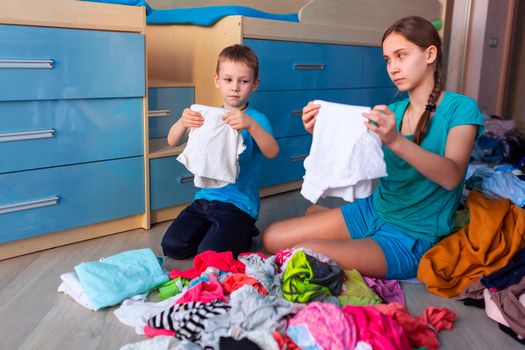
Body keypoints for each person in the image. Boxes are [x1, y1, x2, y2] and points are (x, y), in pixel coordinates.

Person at [262, 16, 485, 279]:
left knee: (304, 252)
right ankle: (339, 225)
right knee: (270, 238)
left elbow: (451, 176)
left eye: (401, 56)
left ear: (430, 54)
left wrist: (396, 141)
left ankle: (340, 230)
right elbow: (355, 155)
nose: (393, 68)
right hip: (373, 210)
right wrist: (321, 131)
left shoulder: (461, 108)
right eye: (388, 60)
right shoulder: (393, 111)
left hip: (411, 235)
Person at [161, 44, 279, 259]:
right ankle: (218, 233)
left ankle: (243, 233)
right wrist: (182, 121)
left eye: (243, 81)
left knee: (208, 255)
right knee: (172, 246)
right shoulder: (207, 116)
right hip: (205, 198)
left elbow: (272, 152)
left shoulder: (256, 119)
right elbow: (172, 140)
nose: (235, 87)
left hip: (239, 204)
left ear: (254, 84)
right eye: (228, 80)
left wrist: (252, 126)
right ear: (217, 80)